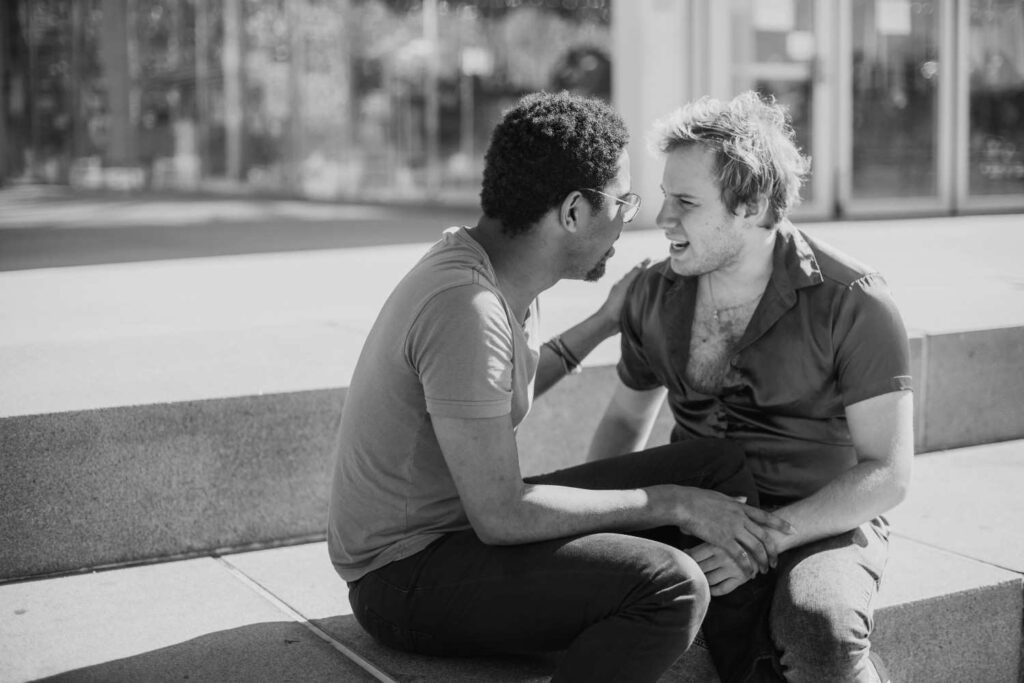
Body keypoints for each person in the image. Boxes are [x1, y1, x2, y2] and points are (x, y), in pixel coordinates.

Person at [327, 91, 793, 683]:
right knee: (670, 586)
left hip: (461, 531)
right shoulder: (464, 308)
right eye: (623, 200)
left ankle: (751, 668)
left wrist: (602, 322)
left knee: (716, 466)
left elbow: (495, 383)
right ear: (573, 211)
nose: (634, 218)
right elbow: (501, 515)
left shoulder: (491, 268)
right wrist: (671, 502)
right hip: (403, 576)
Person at [587, 91, 914, 683]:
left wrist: (761, 539)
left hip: (822, 518)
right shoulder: (651, 295)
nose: (662, 219)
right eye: (665, 197)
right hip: (697, 509)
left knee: (822, 628)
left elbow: (888, 473)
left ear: (753, 203)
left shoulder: (855, 300)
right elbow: (622, 425)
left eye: (685, 202)